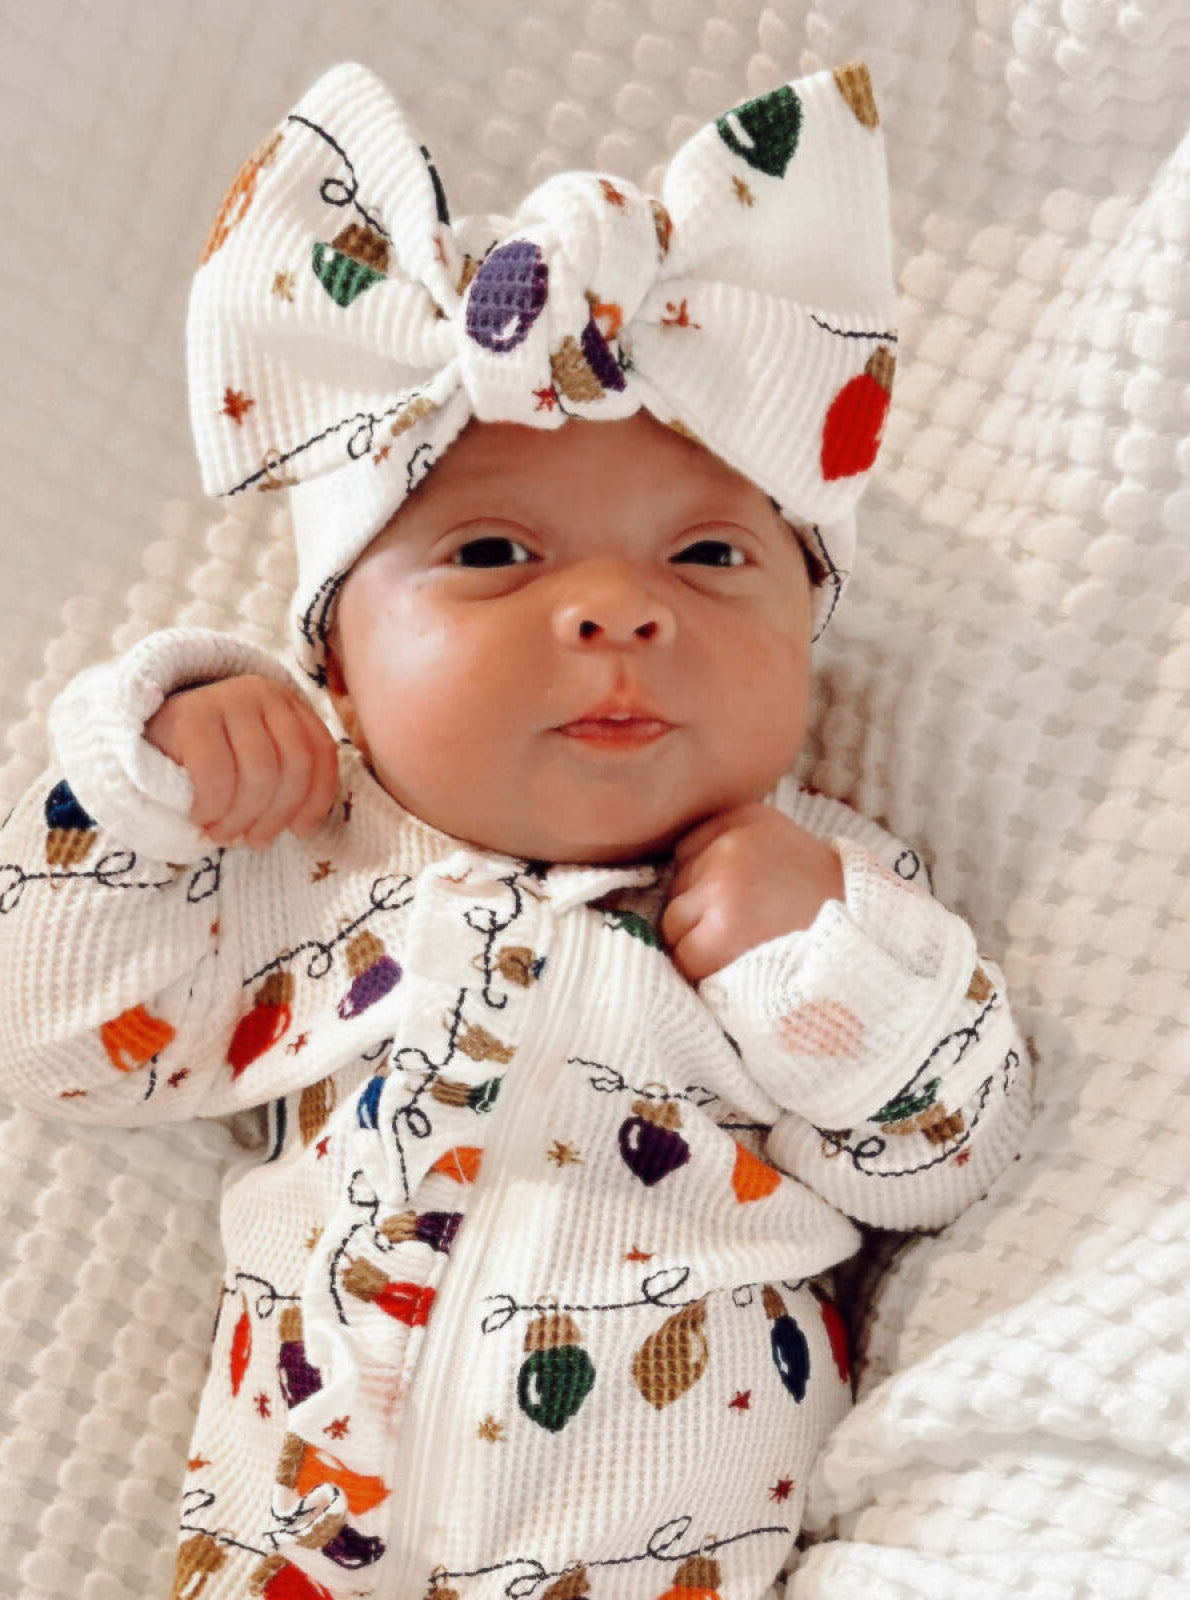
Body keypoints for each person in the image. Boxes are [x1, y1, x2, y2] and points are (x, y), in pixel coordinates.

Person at [0, 61, 1032, 1600]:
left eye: (706, 555)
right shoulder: (304, 864)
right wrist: (144, 776)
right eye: (492, 552)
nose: (618, 607)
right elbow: (69, 1045)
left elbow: (943, 1158)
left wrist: (817, 958)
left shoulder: (817, 878)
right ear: (336, 659)